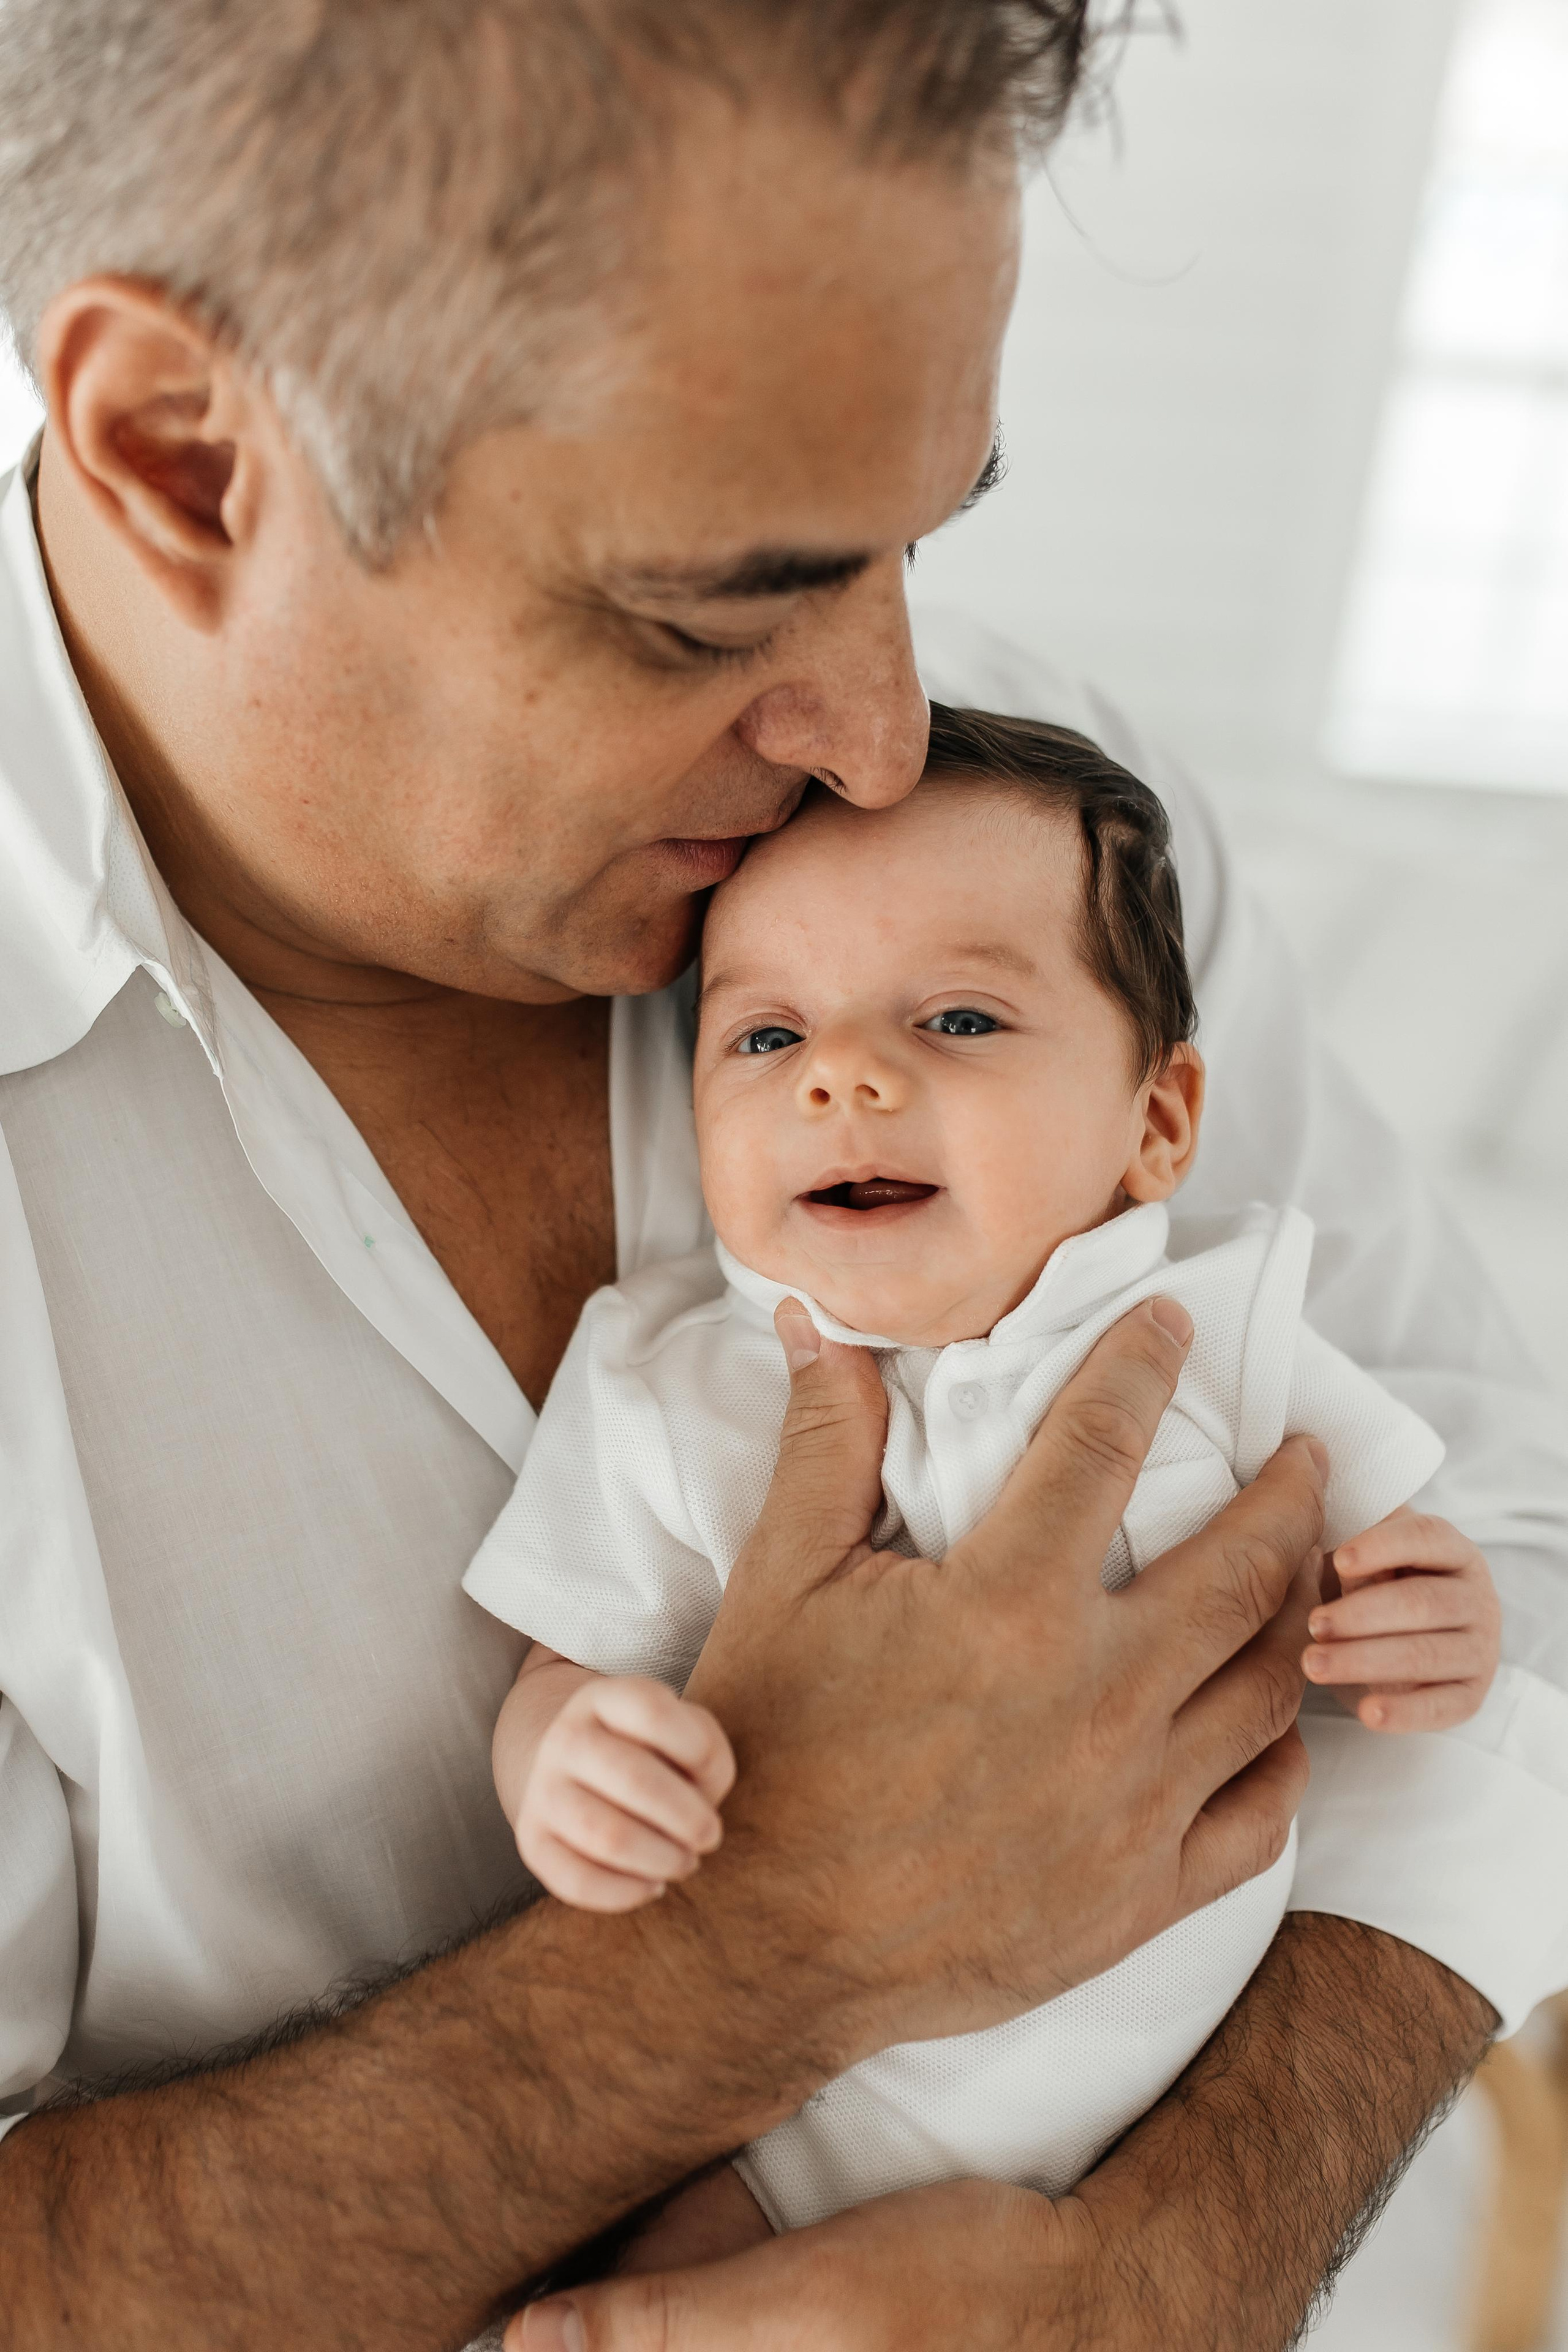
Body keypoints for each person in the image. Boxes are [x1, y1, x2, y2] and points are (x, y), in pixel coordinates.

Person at [0, 7, 1562, 2350]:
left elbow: (1519, 1556)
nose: (883, 730)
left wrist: (1178, 2270)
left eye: (928, 536)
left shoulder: (1026, 861)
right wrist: (769, 1947)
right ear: (184, 455)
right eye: (715, 608)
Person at [469, 708, 1501, 2276]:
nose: (843, 1080)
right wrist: (567, 1761)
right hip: (782, 2119)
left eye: (953, 1020)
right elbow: (565, 1667)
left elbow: (1397, 1573)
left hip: (1152, 2117)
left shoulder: (1217, 1330)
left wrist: (1434, 1620)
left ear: (1155, 1124)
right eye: (764, 1038)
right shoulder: (671, 1387)